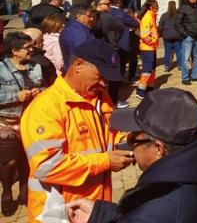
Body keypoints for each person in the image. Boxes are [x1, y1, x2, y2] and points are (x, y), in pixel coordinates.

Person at [66, 89, 197, 223]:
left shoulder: (161, 207)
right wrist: (99, 214)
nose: (131, 145)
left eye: (133, 139)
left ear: (158, 149)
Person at [20, 39, 133, 222]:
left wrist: (131, 142)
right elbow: (46, 167)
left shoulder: (99, 97)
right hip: (59, 212)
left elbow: (110, 134)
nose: (104, 84)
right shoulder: (45, 108)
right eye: (100, 76)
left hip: (93, 207)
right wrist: (104, 161)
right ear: (78, 66)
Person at [0, 32, 44, 216]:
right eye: (27, 48)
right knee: (9, 161)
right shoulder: (1, 69)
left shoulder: (36, 67)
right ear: (14, 51)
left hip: (32, 121)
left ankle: (26, 190)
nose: (32, 50)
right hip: (6, 122)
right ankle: (8, 191)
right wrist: (14, 97)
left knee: (29, 159)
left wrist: (39, 92)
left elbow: (46, 87)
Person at [94, 0, 128, 107]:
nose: (109, 6)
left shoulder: (94, 16)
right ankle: (114, 101)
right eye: (107, 4)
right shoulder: (107, 17)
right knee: (114, 76)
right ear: (99, 5)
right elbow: (121, 27)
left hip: (98, 48)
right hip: (110, 48)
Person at [109, 0, 140, 86]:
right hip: (122, 41)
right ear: (118, 2)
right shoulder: (120, 13)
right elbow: (135, 24)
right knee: (128, 60)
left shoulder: (106, 12)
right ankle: (128, 78)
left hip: (109, 41)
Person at [59, 4, 95, 73]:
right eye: (89, 16)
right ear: (78, 16)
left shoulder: (67, 29)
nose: (92, 19)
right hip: (81, 74)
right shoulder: (81, 33)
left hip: (71, 71)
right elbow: (83, 56)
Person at [137, 0, 159, 99]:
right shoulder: (147, 18)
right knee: (147, 70)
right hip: (147, 47)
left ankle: (149, 86)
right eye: (156, 7)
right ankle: (141, 90)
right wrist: (154, 40)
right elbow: (144, 35)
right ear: (151, 7)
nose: (157, 9)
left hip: (151, 47)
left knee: (152, 68)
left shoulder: (152, 17)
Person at [158, 0, 183, 72]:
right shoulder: (179, 15)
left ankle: (166, 66)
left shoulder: (164, 15)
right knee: (179, 52)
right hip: (177, 36)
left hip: (167, 36)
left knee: (167, 51)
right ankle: (180, 66)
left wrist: (160, 34)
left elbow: (160, 26)